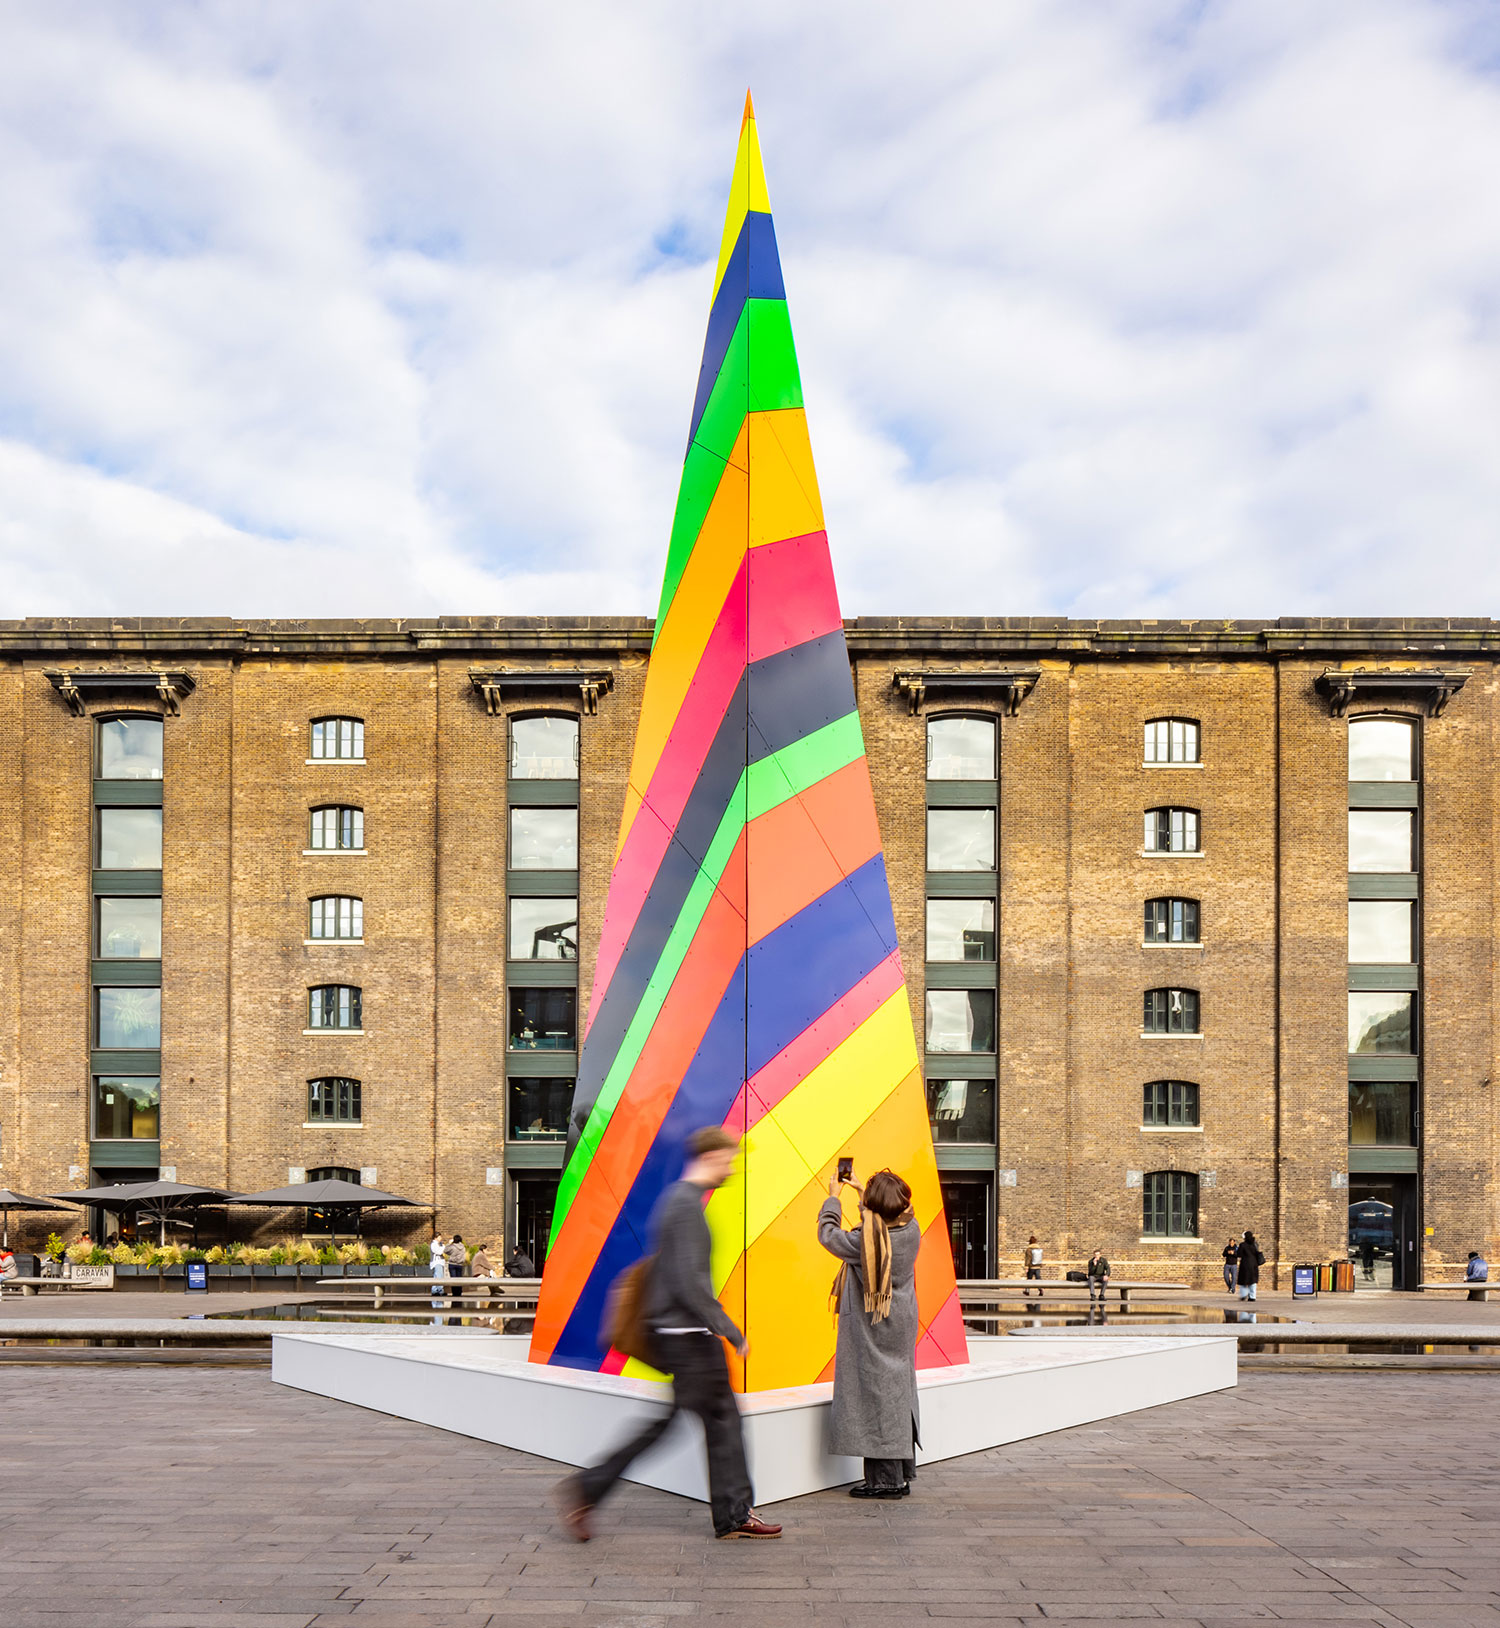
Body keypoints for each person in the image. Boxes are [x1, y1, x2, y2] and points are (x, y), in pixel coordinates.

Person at [556, 1126, 780, 1543]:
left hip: (682, 1335)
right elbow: (689, 1283)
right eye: (729, 1159)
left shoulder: (680, 1202)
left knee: (714, 1421)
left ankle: (593, 1488)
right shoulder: (685, 1206)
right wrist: (731, 1331)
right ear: (712, 1157)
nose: (732, 1167)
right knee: (711, 1421)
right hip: (690, 1338)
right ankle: (731, 1514)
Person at [817, 1166, 921, 1499]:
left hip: (874, 1327)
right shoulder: (911, 1229)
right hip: (899, 1323)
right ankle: (898, 1476)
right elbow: (883, 1220)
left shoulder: (865, 1242)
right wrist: (865, 1195)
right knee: (894, 1393)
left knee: (876, 1396)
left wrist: (833, 1199)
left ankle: (885, 1483)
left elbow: (829, 1235)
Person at [1235, 1230, 1263, 1302]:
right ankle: (1252, 1296)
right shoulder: (1255, 1244)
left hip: (1245, 1264)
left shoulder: (1242, 1245)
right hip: (1254, 1264)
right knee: (1253, 1281)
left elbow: (1239, 1254)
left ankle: (1244, 1294)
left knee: (1243, 1280)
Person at [1024, 1234, 1044, 1299]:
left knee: (1029, 1279)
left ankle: (1027, 1291)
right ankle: (1040, 1290)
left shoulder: (1029, 1249)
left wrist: (1026, 1266)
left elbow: (1028, 1259)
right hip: (1038, 1266)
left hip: (1031, 1267)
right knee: (1038, 1279)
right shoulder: (1039, 1248)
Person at [429, 1232, 448, 1298]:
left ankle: (434, 1291)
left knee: (436, 1277)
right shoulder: (434, 1244)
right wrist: (443, 1247)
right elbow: (439, 1252)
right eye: (439, 1237)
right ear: (435, 1238)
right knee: (439, 1277)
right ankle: (440, 1291)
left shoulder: (438, 1244)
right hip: (437, 1262)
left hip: (440, 1262)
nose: (441, 1238)